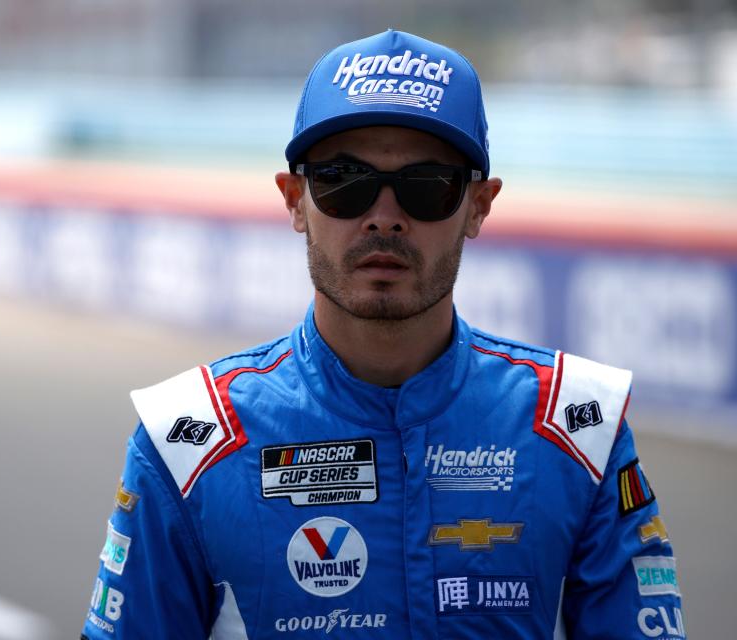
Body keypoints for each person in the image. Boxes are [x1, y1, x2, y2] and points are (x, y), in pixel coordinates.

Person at [81, 29, 685, 639]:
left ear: (478, 205)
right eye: (345, 181)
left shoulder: (579, 428)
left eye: (428, 185)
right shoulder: (186, 442)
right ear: (295, 200)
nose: (385, 216)